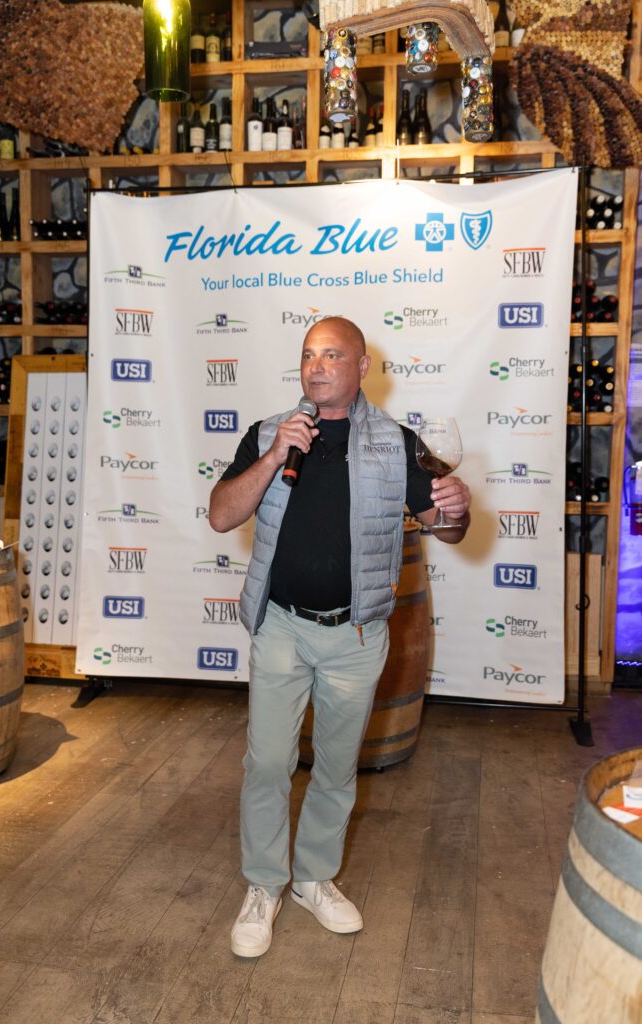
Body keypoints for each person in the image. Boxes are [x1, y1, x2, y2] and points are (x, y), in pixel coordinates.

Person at [209, 316, 471, 958]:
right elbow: (220, 515)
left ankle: (314, 878)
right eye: (308, 354)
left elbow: (447, 529)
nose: (317, 366)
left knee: (334, 768)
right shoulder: (269, 433)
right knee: (267, 764)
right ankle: (264, 885)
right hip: (281, 626)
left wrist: (457, 510)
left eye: (331, 355)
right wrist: (273, 457)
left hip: (356, 635)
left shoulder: (396, 442)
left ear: (361, 367)